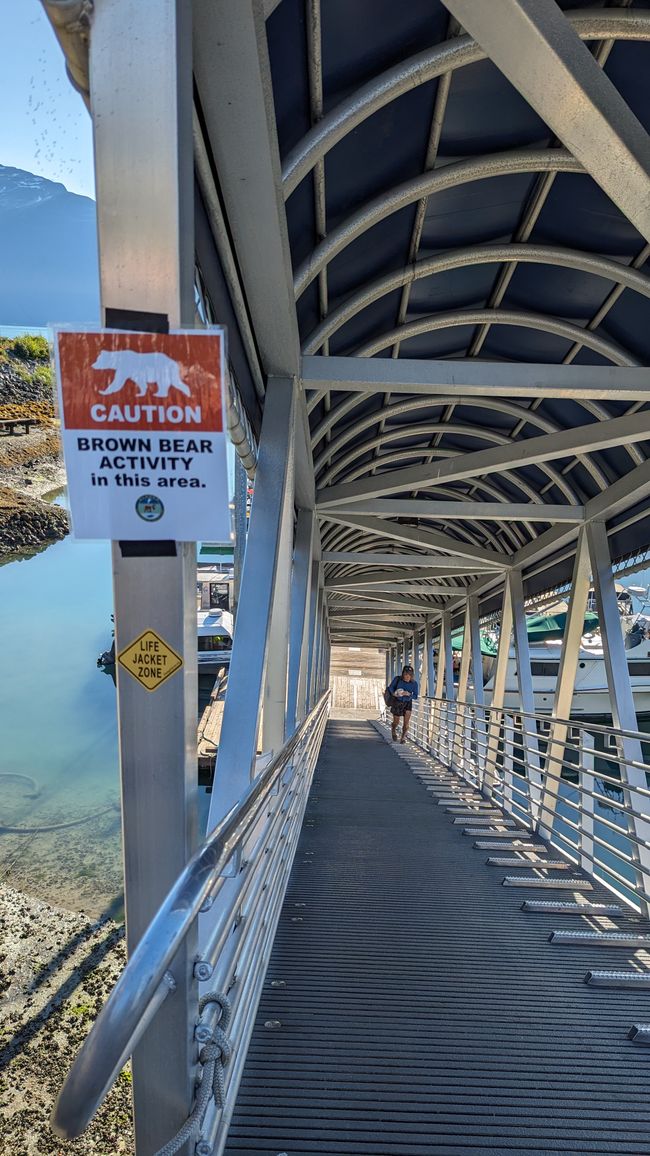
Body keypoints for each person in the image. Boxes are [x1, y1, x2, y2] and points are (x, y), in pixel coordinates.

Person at [386, 664, 419, 743]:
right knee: (396, 722)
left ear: (412, 675)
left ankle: (403, 738)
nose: (407, 676)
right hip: (397, 701)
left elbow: (415, 696)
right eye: (406, 674)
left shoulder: (414, 683)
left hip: (407, 702)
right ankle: (393, 729)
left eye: (410, 675)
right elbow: (390, 687)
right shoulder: (397, 679)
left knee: (406, 722)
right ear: (403, 674)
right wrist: (394, 693)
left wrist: (409, 695)